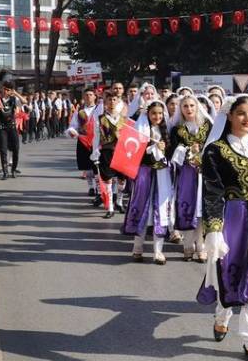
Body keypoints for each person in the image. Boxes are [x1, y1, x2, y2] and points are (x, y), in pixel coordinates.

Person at [199, 95, 248, 361]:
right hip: (232, 217)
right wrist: (213, 229)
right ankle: (222, 316)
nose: (247, 119)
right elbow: (212, 191)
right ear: (229, 115)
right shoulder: (215, 151)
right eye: (241, 113)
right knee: (229, 270)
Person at [122, 100, 174, 263]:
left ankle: (158, 251)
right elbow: (133, 151)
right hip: (145, 173)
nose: (157, 116)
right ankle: (137, 248)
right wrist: (150, 146)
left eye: (160, 113)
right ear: (148, 114)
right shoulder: (142, 130)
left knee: (160, 209)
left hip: (162, 175)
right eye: (154, 113)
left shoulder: (167, 131)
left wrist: (165, 150)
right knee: (142, 208)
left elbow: (171, 155)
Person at [169, 94, 212, 262]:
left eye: (192, 106)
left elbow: (214, 147)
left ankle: (201, 246)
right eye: (185, 106)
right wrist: (186, 150)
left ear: (197, 107)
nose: (189, 109)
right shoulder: (177, 129)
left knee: (201, 208)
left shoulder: (207, 126)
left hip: (203, 172)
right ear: (181, 109)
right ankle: (187, 245)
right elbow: (172, 151)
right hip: (186, 173)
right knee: (187, 207)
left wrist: (201, 149)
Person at [90, 92, 128, 218]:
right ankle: (110, 207)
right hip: (107, 151)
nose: (112, 102)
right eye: (109, 99)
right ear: (105, 103)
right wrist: (95, 150)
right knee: (108, 179)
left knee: (122, 179)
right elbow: (96, 136)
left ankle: (119, 201)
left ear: (118, 102)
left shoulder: (124, 119)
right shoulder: (100, 118)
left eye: (114, 99)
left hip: (121, 152)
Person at [67, 88, 99, 197]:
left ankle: (98, 189)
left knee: (97, 166)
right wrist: (72, 131)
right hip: (83, 140)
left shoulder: (100, 109)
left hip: (97, 141)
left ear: (95, 96)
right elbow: (73, 125)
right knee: (87, 166)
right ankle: (91, 187)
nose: (88, 97)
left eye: (91, 94)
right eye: (86, 95)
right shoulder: (79, 111)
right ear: (83, 97)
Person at [0, 78, 24, 179]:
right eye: (5, 89)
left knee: (16, 149)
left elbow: (24, 101)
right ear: (2, 89)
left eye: (9, 89)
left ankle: (13, 170)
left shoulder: (14, 99)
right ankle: (5, 172)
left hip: (12, 127)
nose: (6, 91)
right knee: (3, 150)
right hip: (2, 128)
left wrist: (16, 93)